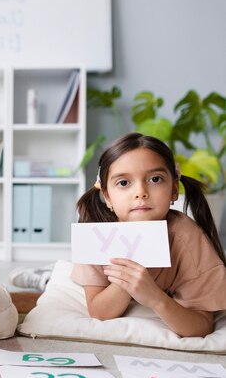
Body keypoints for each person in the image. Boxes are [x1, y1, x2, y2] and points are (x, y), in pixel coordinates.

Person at [71, 132, 226, 337]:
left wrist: (153, 296)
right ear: (107, 196)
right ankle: (43, 278)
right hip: (99, 277)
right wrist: (127, 282)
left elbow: (201, 326)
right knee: (62, 276)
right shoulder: (96, 233)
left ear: (173, 189)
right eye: (124, 183)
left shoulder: (186, 237)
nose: (140, 192)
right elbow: (99, 312)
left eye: (155, 179)